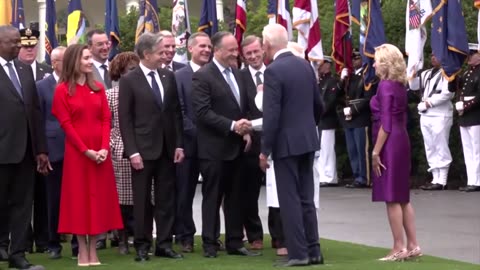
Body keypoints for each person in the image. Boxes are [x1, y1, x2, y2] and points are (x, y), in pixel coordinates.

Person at [51, 44, 123, 266]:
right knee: (80, 203)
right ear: (75, 61)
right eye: (86, 58)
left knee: (98, 202)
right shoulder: (62, 90)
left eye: (90, 58)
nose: (90, 62)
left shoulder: (99, 87)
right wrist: (86, 151)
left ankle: (94, 250)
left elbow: (105, 119)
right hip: (78, 155)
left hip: (100, 154)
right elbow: (66, 124)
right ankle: (82, 250)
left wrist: (103, 148)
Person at [259, 24, 323, 267]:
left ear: (267, 44)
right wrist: (308, 128)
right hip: (307, 140)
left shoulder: (274, 71)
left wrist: (265, 149)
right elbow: (318, 105)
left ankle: (298, 253)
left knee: (289, 200)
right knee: (307, 198)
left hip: (286, 143)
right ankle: (314, 250)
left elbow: (271, 115)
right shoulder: (305, 65)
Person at [118, 33, 184, 262]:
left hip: (167, 149)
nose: (164, 55)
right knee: (142, 201)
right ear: (146, 54)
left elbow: (175, 113)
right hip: (142, 151)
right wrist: (132, 151)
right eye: (160, 52)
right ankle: (142, 245)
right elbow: (125, 119)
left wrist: (179, 145)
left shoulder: (168, 75)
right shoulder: (129, 80)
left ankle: (164, 244)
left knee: (166, 199)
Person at [191, 31, 258, 258]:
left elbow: (243, 108)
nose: (235, 53)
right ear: (217, 51)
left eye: (235, 49)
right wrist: (232, 126)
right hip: (214, 149)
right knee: (213, 197)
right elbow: (202, 113)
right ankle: (210, 243)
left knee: (235, 197)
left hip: (238, 147)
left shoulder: (238, 74)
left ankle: (235, 241)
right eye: (230, 50)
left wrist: (247, 131)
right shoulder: (203, 76)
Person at [0, 24, 50, 270]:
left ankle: (17, 255)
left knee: (22, 205)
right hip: (2, 150)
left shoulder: (25, 70)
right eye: (13, 42)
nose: (19, 46)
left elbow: (34, 112)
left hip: (25, 152)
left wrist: (40, 149)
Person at [370, 43, 421, 261]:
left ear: (384, 63)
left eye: (376, 59)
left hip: (389, 143)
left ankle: (398, 246)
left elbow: (386, 124)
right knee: (403, 197)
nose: (373, 63)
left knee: (392, 197)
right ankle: (413, 244)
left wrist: (375, 152)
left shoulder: (385, 86)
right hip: (401, 141)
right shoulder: (400, 85)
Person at [174, 32, 212, 253]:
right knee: (185, 192)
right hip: (188, 144)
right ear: (190, 48)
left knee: (213, 193)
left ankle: (211, 236)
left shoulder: (216, 74)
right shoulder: (179, 76)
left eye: (209, 46)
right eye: (202, 46)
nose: (206, 50)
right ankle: (185, 236)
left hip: (214, 146)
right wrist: (197, 133)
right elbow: (179, 110)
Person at [18, 27, 53, 255]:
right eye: (25, 46)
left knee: (43, 195)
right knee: (20, 197)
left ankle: (43, 240)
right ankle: (22, 239)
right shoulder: (11, 71)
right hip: (18, 143)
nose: (29, 50)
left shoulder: (47, 71)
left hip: (43, 143)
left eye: (33, 46)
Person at [36, 46, 69, 260]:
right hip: (53, 150)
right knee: (53, 199)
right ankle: (53, 243)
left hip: (77, 149)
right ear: (54, 62)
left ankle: (77, 242)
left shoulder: (77, 83)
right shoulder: (42, 86)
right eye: (63, 60)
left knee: (77, 198)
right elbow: (38, 120)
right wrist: (42, 151)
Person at [106, 52, 140, 255]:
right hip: (119, 149)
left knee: (145, 198)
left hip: (142, 147)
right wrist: (113, 144)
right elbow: (107, 124)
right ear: (120, 72)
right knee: (122, 201)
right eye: (130, 70)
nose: (134, 73)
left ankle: (141, 237)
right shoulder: (110, 95)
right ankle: (122, 240)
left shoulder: (142, 90)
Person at [409, 54, 453, 190]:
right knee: (430, 146)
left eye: (436, 55)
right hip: (426, 115)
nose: (433, 57)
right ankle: (435, 178)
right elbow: (414, 86)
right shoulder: (426, 73)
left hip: (440, 114)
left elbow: (448, 93)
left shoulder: (447, 72)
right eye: (432, 55)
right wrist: (413, 73)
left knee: (441, 145)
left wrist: (429, 103)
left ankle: (443, 179)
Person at [239, 35, 265, 251]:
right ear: (243, 56)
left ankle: (280, 235)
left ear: (263, 50)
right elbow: (239, 108)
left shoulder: (275, 72)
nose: (254, 56)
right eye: (249, 54)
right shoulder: (239, 77)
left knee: (279, 190)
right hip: (250, 142)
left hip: (276, 139)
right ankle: (254, 234)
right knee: (249, 192)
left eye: (256, 51)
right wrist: (245, 132)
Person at [341, 49, 376, 188]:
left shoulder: (366, 76)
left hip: (361, 117)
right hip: (349, 118)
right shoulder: (350, 76)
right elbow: (342, 96)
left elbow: (368, 98)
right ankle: (357, 176)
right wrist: (342, 80)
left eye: (357, 58)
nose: (355, 61)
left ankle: (365, 177)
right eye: (353, 59)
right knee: (352, 150)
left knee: (362, 149)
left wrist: (353, 109)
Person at [454, 48, 480, 192]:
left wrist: (466, 106)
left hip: (475, 115)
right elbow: (455, 88)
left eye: (472, 54)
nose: (469, 57)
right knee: (468, 150)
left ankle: (477, 181)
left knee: (477, 150)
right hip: (464, 116)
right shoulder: (467, 72)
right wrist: (452, 76)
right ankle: (472, 180)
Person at [317, 56, 341, 187]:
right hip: (321, 120)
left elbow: (330, 101)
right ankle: (323, 174)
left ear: (328, 65)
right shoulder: (320, 81)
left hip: (328, 120)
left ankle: (330, 176)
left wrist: (319, 112)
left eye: (322, 64)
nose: (319, 66)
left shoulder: (332, 81)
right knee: (321, 149)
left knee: (327, 149)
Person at [87, 29, 112, 93]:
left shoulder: (119, 69)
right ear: (89, 47)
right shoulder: (84, 73)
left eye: (107, 43)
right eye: (100, 44)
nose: (105, 47)